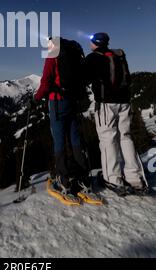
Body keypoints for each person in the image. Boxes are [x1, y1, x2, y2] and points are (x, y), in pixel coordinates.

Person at [31, 37, 102, 205]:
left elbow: (46, 82)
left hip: (57, 102)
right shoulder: (73, 52)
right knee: (76, 140)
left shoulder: (53, 54)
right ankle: (84, 180)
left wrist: (35, 99)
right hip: (72, 101)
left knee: (59, 143)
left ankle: (64, 183)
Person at [84, 32, 148, 195]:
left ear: (96, 43)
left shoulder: (94, 57)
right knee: (125, 137)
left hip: (107, 104)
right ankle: (135, 178)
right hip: (125, 102)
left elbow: (83, 78)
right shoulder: (118, 56)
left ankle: (113, 179)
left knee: (108, 139)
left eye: (91, 41)